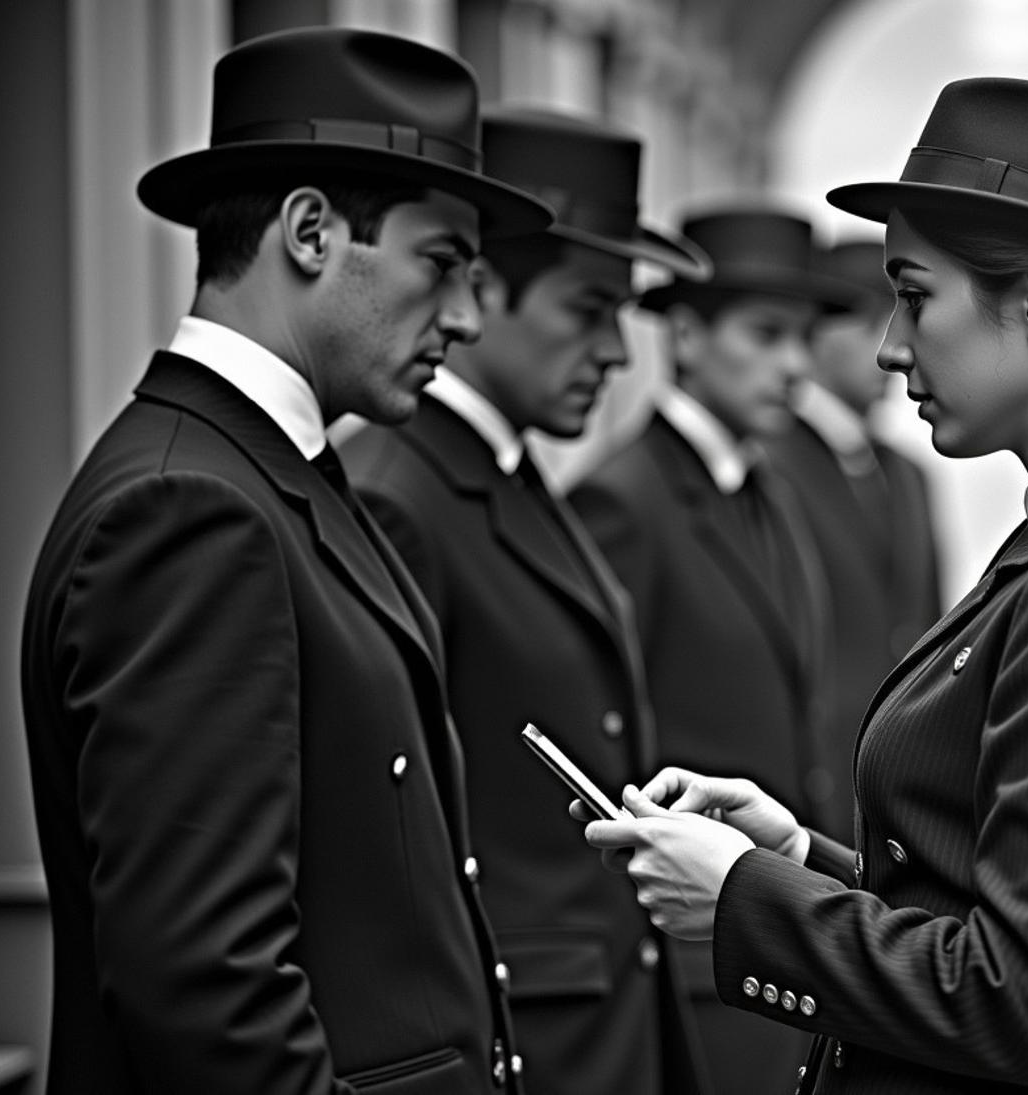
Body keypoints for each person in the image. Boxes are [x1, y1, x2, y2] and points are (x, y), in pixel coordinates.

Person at [583, 77, 1028, 1094]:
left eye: (915, 293)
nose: (890, 346)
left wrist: (743, 899)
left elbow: (1016, 999)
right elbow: (999, 921)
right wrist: (797, 857)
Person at [18, 28, 552, 1094]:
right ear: (310, 231)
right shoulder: (189, 508)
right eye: (441, 264)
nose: (460, 318)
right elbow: (212, 1000)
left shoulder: (268, 471)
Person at [338, 107, 713, 1095]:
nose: (617, 354)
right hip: (519, 1040)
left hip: (598, 1026)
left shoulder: (506, 468)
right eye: (586, 310)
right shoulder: (393, 491)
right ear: (482, 289)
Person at [566, 206, 855, 1094]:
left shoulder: (770, 488)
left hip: (784, 957)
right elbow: (605, 750)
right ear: (684, 334)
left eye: (804, 337)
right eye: (766, 335)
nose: (795, 366)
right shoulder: (622, 501)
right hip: (699, 973)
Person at [765, 237, 945, 839]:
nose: (896, 346)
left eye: (912, 316)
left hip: (907, 803)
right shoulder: (767, 469)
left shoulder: (911, 477)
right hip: (800, 809)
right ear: (816, 333)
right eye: (875, 321)